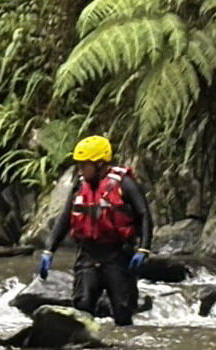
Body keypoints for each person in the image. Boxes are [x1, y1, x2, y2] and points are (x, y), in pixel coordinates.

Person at [37, 135, 152, 326]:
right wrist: (49, 250)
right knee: (82, 307)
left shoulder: (124, 184)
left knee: (123, 312)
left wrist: (143, 249)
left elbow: (144, 214)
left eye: (84, 165)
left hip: (117, 255)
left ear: (100, 164)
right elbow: (65, 218)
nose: (80, 169)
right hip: (88, 254)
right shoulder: (79, 185)